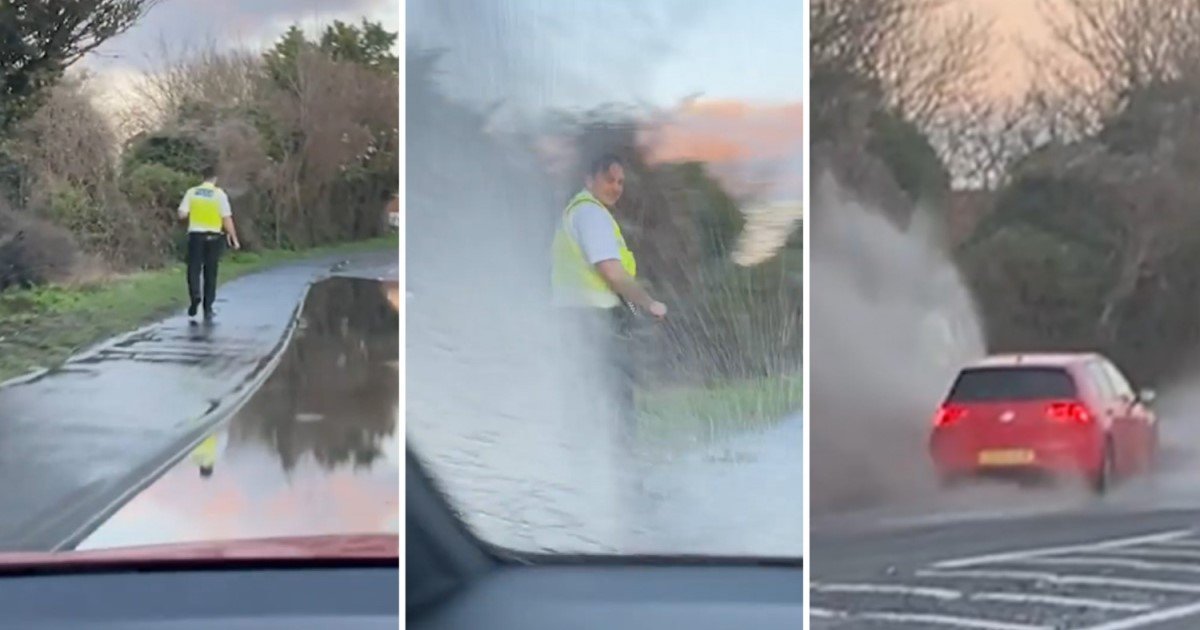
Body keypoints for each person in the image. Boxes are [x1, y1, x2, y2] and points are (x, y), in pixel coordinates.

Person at [551, 153, 667, 451]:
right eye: (609, 179)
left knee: (586, 400)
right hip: (595, 321)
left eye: (620, 182)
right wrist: (648, 303)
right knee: (616, 402)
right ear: (590, 179)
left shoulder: (576, 212)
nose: (616, 187)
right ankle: (624, 484)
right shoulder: (591, 214)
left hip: (576, 319)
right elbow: (611, 271)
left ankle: (588, 473)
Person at [178, 165, 240, 319]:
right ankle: (208, 307)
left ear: (202, 177)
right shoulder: (219, 194)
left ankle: (195, 296)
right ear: (215, 179)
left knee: (193, 268)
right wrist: (234, 238)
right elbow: (226, 218)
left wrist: (189, 215)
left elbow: (182, 214)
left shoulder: (191, 192)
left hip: (196, 236)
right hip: (214, 236)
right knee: (211, 272)